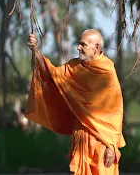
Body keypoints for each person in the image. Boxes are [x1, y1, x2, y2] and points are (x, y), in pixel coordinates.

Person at [25, 29, 126, 175]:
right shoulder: (74, 66)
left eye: (83, 44)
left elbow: (116, 111)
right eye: (79, 44)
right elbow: (51, 75)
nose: (78, 47)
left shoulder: (106, 71)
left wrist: (112, 146)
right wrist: (36, 50)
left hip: (102, 143)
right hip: (81, 139)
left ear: (96, 48)